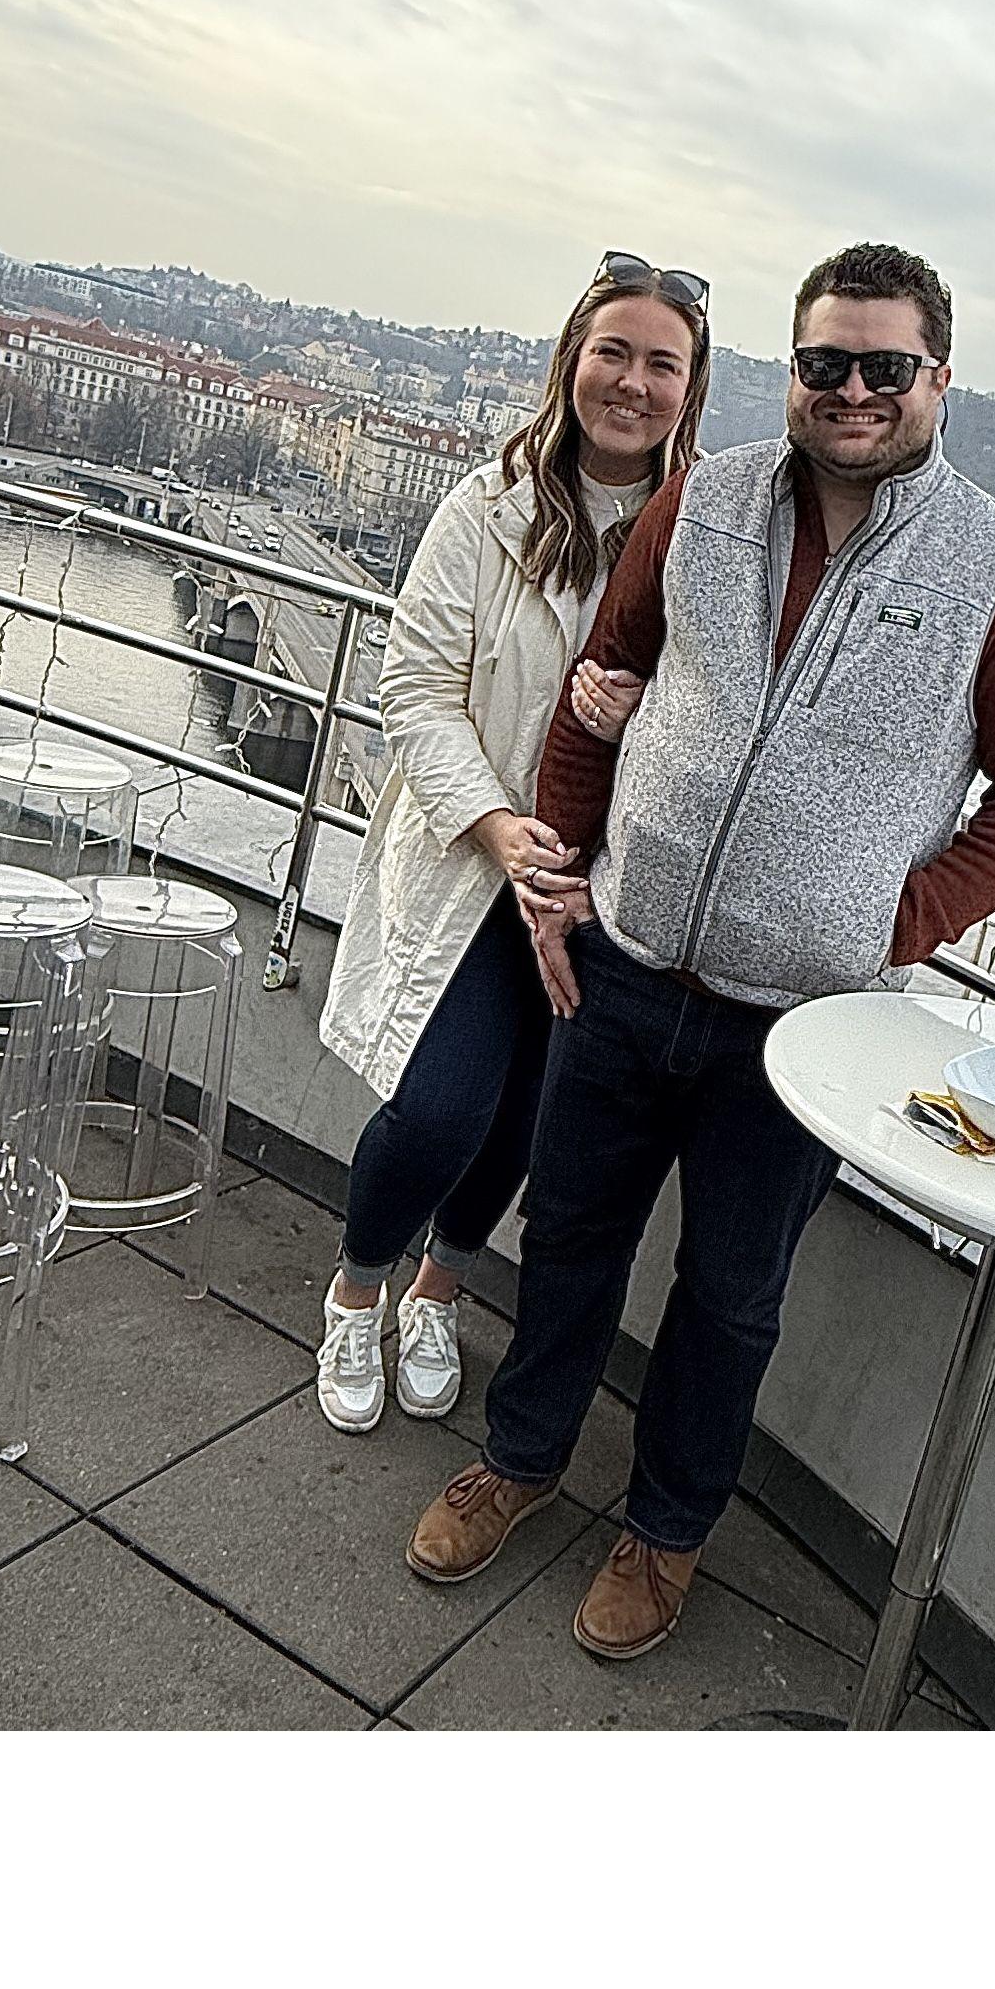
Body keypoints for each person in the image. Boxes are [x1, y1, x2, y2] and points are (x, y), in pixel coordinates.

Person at [405, 242, 995, 1662]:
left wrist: (899, 917)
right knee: (569, 1238)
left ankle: (665, 1532)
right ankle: (520, 1460)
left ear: (939, 378)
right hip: (623, 961)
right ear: (792, 369)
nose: (852, 390)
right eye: (824, 362)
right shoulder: (703, 501)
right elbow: (599, 686)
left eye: (884, 367)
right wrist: (558, 879)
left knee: (729, 1297)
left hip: (805, 1024)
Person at [311, 254, 707, 1431]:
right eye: (613, 352)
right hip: (477, 867)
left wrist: (646, 717)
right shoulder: (487, 506)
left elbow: (723, 718)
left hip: (601, 890)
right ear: (572, 361)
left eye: (662, 364)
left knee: (532, 1117)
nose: (632, 383)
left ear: (689, 390)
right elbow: (414, 688)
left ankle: (439, 1285)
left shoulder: (706, 538)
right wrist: (496, 827)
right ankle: (356, 1290)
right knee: (440, 1108)